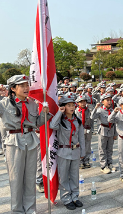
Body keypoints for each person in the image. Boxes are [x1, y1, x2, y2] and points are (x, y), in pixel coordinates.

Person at [0, 75, 50, 213]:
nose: (26, 88)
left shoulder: (32, 104)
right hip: (14, 142)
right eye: (22, 86)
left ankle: (30, 208)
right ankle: (17, 210)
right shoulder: (4, 104)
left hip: (31, 140)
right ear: (13, 89)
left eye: (27, 85)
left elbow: (35, 124)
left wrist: (44, 115)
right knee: (15, 178)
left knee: (30, 177)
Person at [50, 95, 85, 210]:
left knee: (75, 176)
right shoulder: (60, 120)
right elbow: (52, 125)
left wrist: (83, 152)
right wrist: (59, 113)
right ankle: (66, 198)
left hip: (75, 151)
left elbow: (81, 137)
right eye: (68, 105)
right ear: (63, 107)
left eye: (73, 105)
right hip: (63, 152)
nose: (72, 107)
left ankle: (75, 196)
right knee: (63, 177)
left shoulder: (77, 120)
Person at [90, 93, 117, 174]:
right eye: (107, 100)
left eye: (110, 100)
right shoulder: (100, 110)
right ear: (102, 101)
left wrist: (115, 134)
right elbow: (92, 117)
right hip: (103, 130)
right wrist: (95, 108)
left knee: (110, 149)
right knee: (102, 149)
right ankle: (103, 166)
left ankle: (109, 163)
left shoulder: (112, 111)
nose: (109, 102)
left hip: (111, 130)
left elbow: (114, 123)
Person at [75, 95, 92, 169]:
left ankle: (86, 160)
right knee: (80, 146)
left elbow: (91, 120)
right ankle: (80, 161)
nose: (83, 103)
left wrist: (91, 129)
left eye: (84, 101)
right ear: (78, 103)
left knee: (87, 146)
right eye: (81, 102)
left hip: (88, 130)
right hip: (80, 130)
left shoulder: (88, 110)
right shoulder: (76, 111)